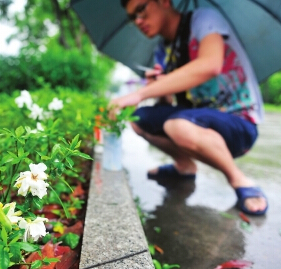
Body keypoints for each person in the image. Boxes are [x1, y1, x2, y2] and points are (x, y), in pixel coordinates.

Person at [110, 0, 268, 215]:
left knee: (178, 126)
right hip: (196, 119)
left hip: (238, 121)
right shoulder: (162, 50)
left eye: (141, 9)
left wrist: (139, 93)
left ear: (164, 2)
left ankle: (239, 179)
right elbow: (166, 109)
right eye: (132, 17)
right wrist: (160, 88)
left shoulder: (205, 20)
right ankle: (184, 167)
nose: (138, 21)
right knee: (139, 119)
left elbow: (210, 65)